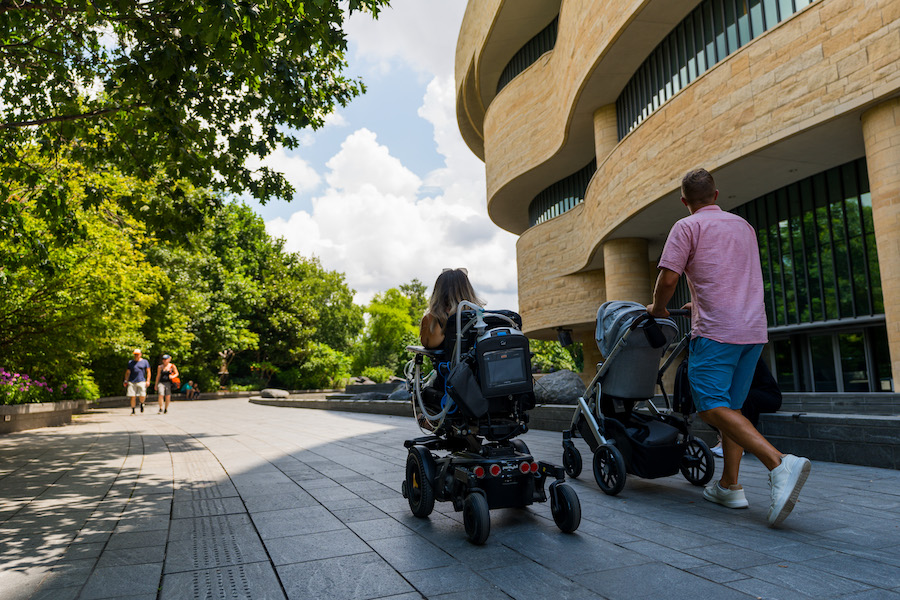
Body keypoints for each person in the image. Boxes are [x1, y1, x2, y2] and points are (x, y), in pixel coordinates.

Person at [646, 168, 810, 527]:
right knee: (733, 407)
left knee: (710, 407)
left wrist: (658, 309)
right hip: (752, 329)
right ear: (716, 195)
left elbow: (669, 277)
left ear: (684, 201)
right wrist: (699, 303)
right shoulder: (744, 226)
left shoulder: (686, 226)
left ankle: (779, 463)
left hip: (718, 332)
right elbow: (727, 275)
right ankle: (729, 485)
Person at [711, 358, 783, 457]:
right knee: (715, 405)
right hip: (751, 394)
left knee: (739, 399)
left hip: (769, 396)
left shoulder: (746, 354)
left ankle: (738, 444)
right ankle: (725, 440)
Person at [419, 268, 484, 349]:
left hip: (448, 361)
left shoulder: (433, 320)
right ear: (467, 290)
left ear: (438, 292)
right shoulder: (480, 318)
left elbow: (428, 344)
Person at [124, 349, 151, 415]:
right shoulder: (131, 362)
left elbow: (148, 371)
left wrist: (148, 380)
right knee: (132, 396)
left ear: (140, 354)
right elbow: (128, 372)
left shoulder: (145, 362)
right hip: (132, 381)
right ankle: (133, 410)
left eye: (137, 354)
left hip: (141, 380)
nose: (136, 356)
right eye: (135, 354)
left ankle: (142, 403)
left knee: (142, 395)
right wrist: (125, 380)